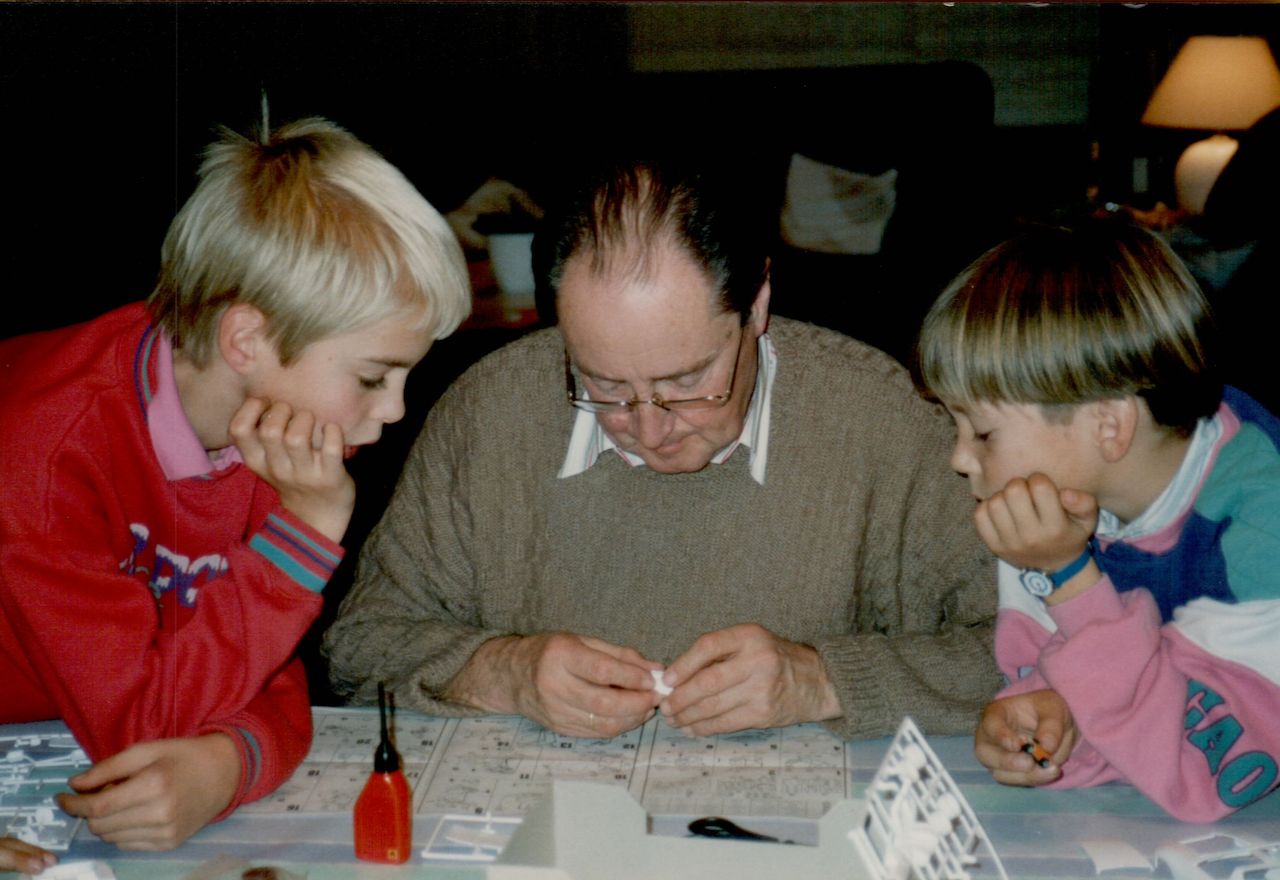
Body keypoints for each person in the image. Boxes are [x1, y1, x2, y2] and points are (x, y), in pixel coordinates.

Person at [324, 158, 998, 741]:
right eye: (604, 384)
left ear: (757, 305)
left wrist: (822, 681)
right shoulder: (489, 413)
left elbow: (1043, 648)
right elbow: (358, 646)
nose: (649, 432)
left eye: (687, 383)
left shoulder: (888, 423)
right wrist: (504, 673)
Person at [0, 117, 469, 851]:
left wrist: (227, 762)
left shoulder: (275, 428)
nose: (394, 412)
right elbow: (143, 728)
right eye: (374, 376)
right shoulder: (46, 452)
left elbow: (263, 672)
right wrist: (307, 530)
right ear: (245, 340)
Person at [915, 220, 1280, 821]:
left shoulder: (1257, 534)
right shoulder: (1060, 498)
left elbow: (1201, 765)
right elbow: (1094, 697)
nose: (959, 460)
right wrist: (1047, 726)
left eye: (981, 432)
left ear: (1107, 426)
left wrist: (1068, 576)